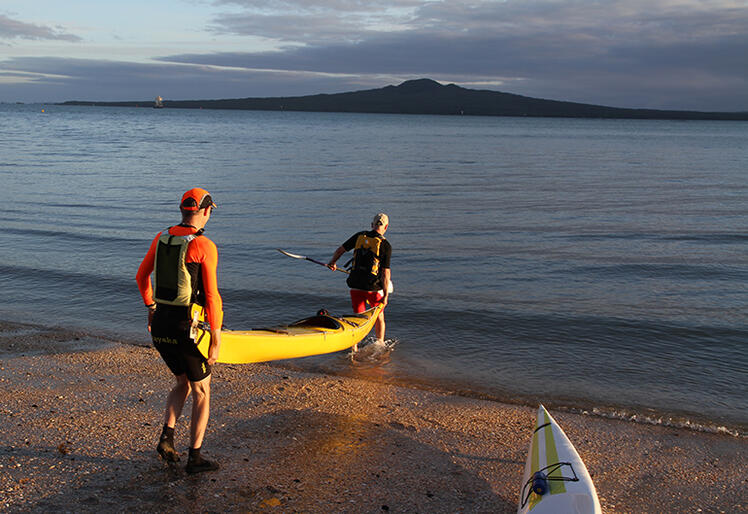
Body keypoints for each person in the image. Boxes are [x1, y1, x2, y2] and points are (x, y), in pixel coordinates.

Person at [135, 187, 223, 474]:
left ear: (183, 210)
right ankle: (195, 458)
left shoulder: (161, 237)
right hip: (187, 329)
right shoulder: (204, 245)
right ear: (206, 211)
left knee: (181, 382)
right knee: (202, 390)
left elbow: (141, 276)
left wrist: (151, 307)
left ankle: (166, 439)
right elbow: (212, 297)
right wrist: (217, 337)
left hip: (160, 324)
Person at [327, 213, 392, 342]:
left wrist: (332, 263)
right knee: (379, 317)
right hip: (372, 288)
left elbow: (340, 250)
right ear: (386, 227)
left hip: (355, 286)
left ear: (372, 225)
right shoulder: (385, 245)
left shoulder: (359, 236)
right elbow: (385, 274)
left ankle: (354, 348)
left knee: (357, 319)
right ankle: (380, 344)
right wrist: (385, 296)